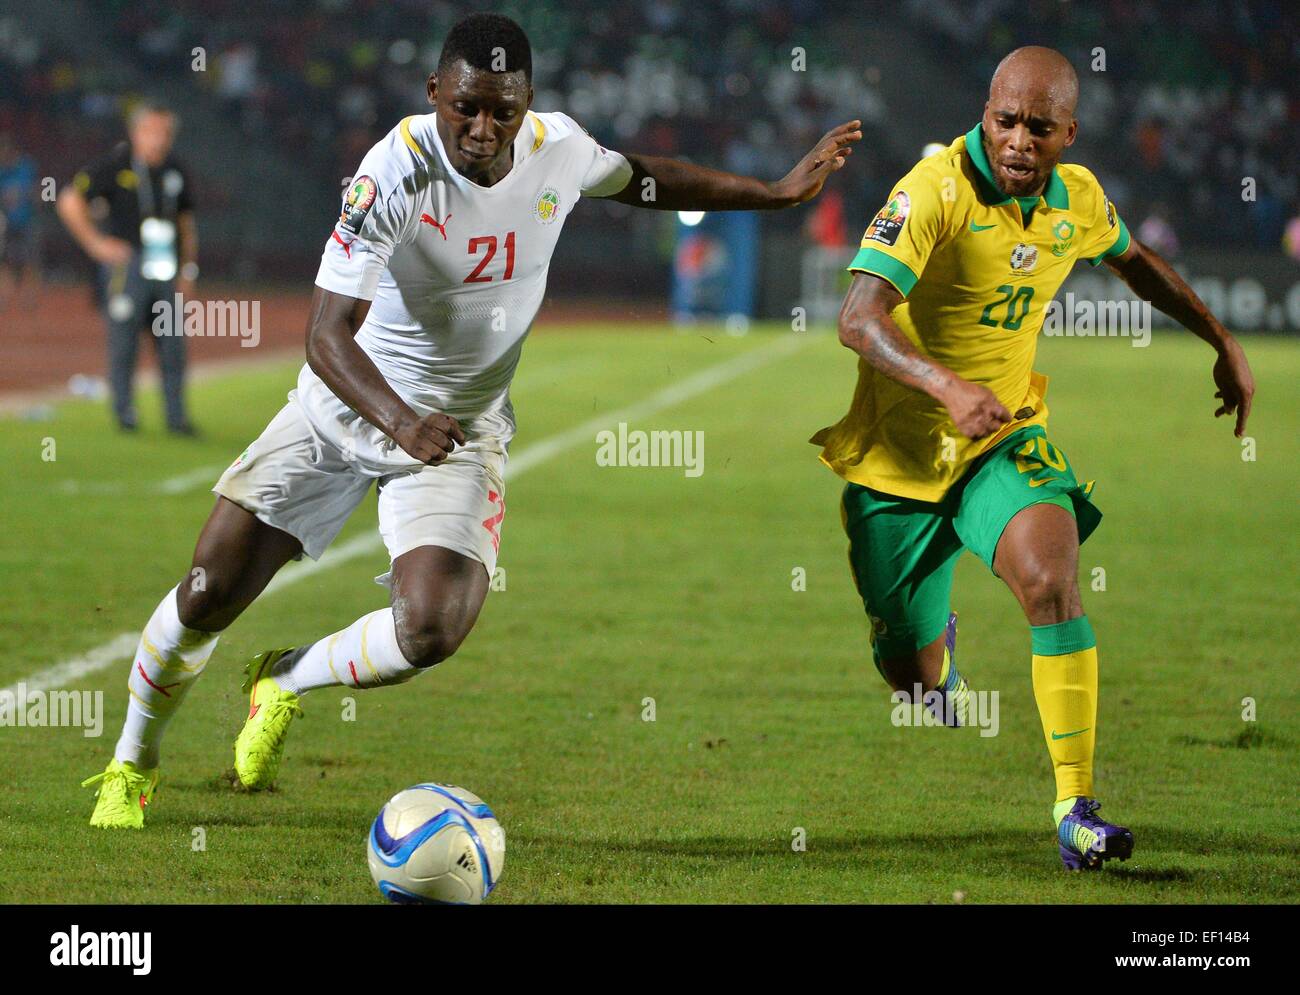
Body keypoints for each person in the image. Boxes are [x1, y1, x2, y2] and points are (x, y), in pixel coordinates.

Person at [82, 13, 861, 828]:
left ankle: (282, 680)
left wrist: (770, 193)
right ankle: (132, 760)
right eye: (466, 108)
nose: (484, 128)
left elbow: (643, 177)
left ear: (527, 104)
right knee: (207, 591)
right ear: (434, 95)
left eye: (503, 110)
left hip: (457, 426)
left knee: (430, 627)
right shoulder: (392, 171)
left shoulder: (558, 147)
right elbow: (323, 336)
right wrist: (399, 419)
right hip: (350, 404)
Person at [812, 47, 1254, 871]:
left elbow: (1139, 265)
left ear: (1069, 133)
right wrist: (945, 388)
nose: (1018, 140)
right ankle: (930, 642)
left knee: (1052, 581)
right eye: (1004, 121)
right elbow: (857, 319)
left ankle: (1075, 807)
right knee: (912, 677)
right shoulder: (932, 191)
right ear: (985, 115)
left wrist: (1220, 339)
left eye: (1038, 128)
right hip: (898, 463)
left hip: (1001, 440)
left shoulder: (1076, 199)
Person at [56, 103, 199, 434]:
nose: (158, 139)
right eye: (151, 131)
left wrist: (188, 269)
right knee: (124, 342)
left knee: (172, 344)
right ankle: (125, 414)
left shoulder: (176, 169)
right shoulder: (116, 164)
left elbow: (186, 222)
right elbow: (68, 200)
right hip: (129, 265)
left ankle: (176, 418)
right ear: (135, 133)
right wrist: (95, 244)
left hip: (167, 266)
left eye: (165, 132)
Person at [0, 132, 40, 309]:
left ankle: (29, 298)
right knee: (5, 261)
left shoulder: (27, 167)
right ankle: (3, 298)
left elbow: (47, 191)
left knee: (29, 261)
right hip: (6, 223)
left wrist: (24, 194)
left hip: (28, 221)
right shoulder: (2, 171)